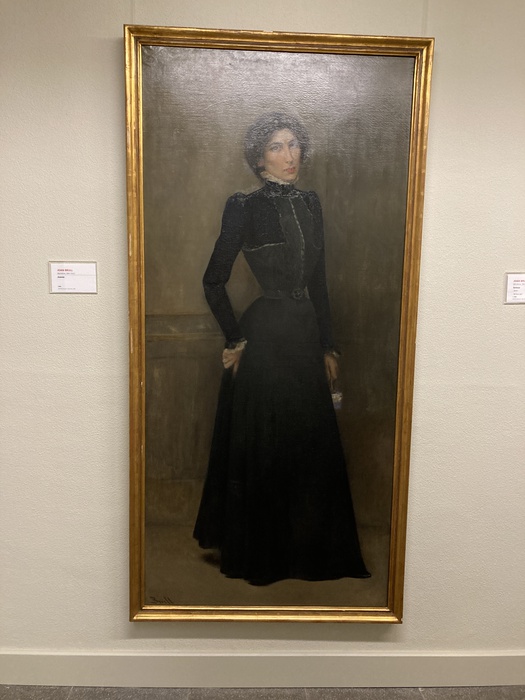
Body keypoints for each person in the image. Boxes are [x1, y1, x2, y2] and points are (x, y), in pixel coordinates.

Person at [193, 112, 370, 585]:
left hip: (305, 335)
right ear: (258, 158)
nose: (290, 156)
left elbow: (320, 284)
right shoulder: (243, 207)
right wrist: (234, 338)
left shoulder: (311, 203)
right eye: (276, 147)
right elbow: (213, 281)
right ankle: (264, 555)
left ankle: (306, 553)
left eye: (294, 144)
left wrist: (329, 346)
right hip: (266, 338)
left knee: (308, 442)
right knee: (268, 444)